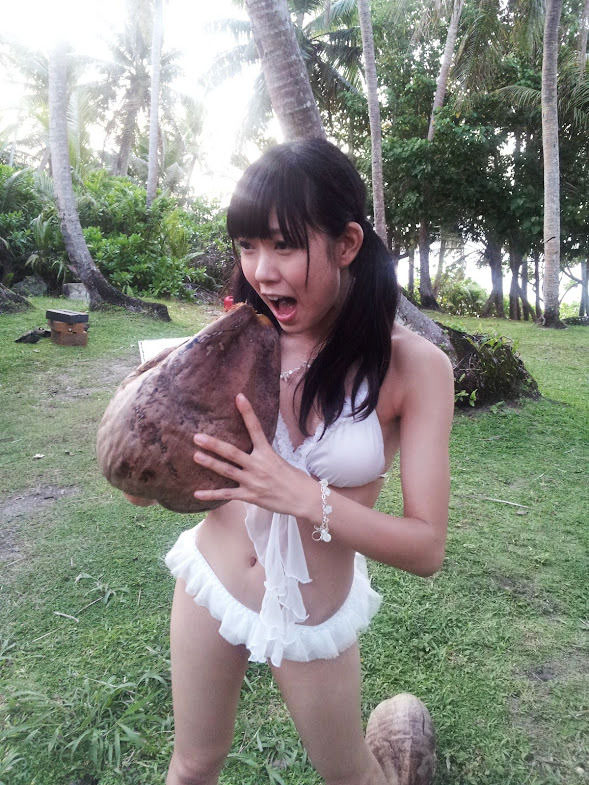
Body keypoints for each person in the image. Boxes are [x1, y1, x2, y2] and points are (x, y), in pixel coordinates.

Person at [128, 138, 454, 785]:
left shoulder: (414, 367)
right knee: (192, 764)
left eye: (282, 245)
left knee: (351, 776)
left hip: (310, 615)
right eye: (247, 246)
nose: (260, 271)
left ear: (347, 243)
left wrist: (303, 494)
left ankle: (398, 754)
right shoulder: (234, 342)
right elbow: (162, 475)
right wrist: (146, 459)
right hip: (212, 581)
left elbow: (426, 548)